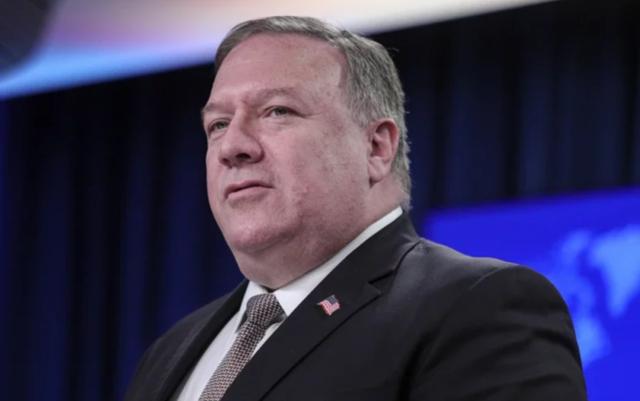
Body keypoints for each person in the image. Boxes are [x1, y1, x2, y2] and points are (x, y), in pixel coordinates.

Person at [124, 16, 587, 401]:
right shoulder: (171, 350)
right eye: (218, 124)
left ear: (376, 147)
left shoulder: (476, 308)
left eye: (277, 111)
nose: (232, 147)